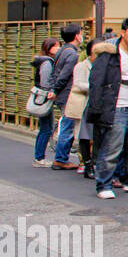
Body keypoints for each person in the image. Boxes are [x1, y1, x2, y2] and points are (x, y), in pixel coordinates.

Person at [86, 17, 128, 199]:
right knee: (111, 147)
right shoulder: (110, 53)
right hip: (117, 106)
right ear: (123, 33)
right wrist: (97, 107)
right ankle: (104, 184)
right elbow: (96, 80)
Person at [66, 36, 101, 180]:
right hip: (85, 103)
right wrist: (95, 88)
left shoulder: (104, 67)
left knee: (98, 136)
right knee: (85, 135)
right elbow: (78, 84)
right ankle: (87, 164)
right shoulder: (81, 66)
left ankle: (94, 163)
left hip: (99, 104)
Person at [49, 23, 83, 169]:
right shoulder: (72, 54)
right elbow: (64, 75)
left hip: (61, 93)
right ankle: (61, 159)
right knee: (67, 127)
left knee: (66, 125)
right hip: (67, 94)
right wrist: (56, 90)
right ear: (77, 36)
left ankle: (61, 157)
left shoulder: (62, 51)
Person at [30, 36, 60, 166]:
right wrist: (51, 92)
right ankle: (39, 157)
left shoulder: (43, 61)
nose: (59, 48)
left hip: (41, 97)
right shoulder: (47, 63)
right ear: (49, 48)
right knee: (46, 128)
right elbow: (45, 82)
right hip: (45, 98)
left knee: (45, 127)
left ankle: (39, 156)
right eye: (56, 46)